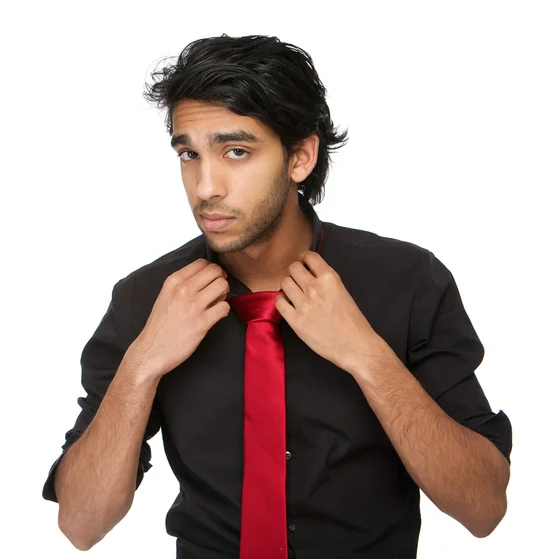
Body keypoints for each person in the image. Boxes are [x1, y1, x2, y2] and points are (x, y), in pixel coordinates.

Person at [42, 34, 512, 558]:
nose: (205, 186)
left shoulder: (408, 282)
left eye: (236, 151)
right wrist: (143, 365)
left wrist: (367, 356)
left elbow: (484, 508)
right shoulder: (146, 299)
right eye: (188, 154)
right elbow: (80, 525)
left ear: (301, 157)